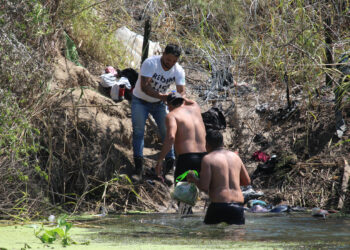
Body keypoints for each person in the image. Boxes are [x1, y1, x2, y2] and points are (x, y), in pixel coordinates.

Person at [131, 44, 186, 178]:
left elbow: (182, 91)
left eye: (174, 61)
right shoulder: (151, 63)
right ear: (163, 54)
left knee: (166, 132)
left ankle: (168, 165)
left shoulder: (178, 70)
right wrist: (163, 96)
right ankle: (138, 167)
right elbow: (145, 87)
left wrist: (177, 98)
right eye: (168, 60)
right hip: (140, 100)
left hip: (159, 103)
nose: (170, 64)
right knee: (139, 131)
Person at [187, 129, 251, 225]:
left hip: (219, 205)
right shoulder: (235, 157)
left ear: (207, 144)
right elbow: (246, 181)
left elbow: (204, 187)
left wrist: (194, 180)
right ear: (222, 143)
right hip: (237, 206)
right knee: (237, 237)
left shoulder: (208, 159)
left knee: (211, 236)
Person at [155, 92, 207, 184]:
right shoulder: (195, 108)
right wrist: (181, 97)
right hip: (204, 157)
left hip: (187, 159)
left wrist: (160, 159)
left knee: (181, 193)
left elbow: (171, 137)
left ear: (169, 105)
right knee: (197, 192)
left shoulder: (172, 115)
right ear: (182, 102)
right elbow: (190, 101)